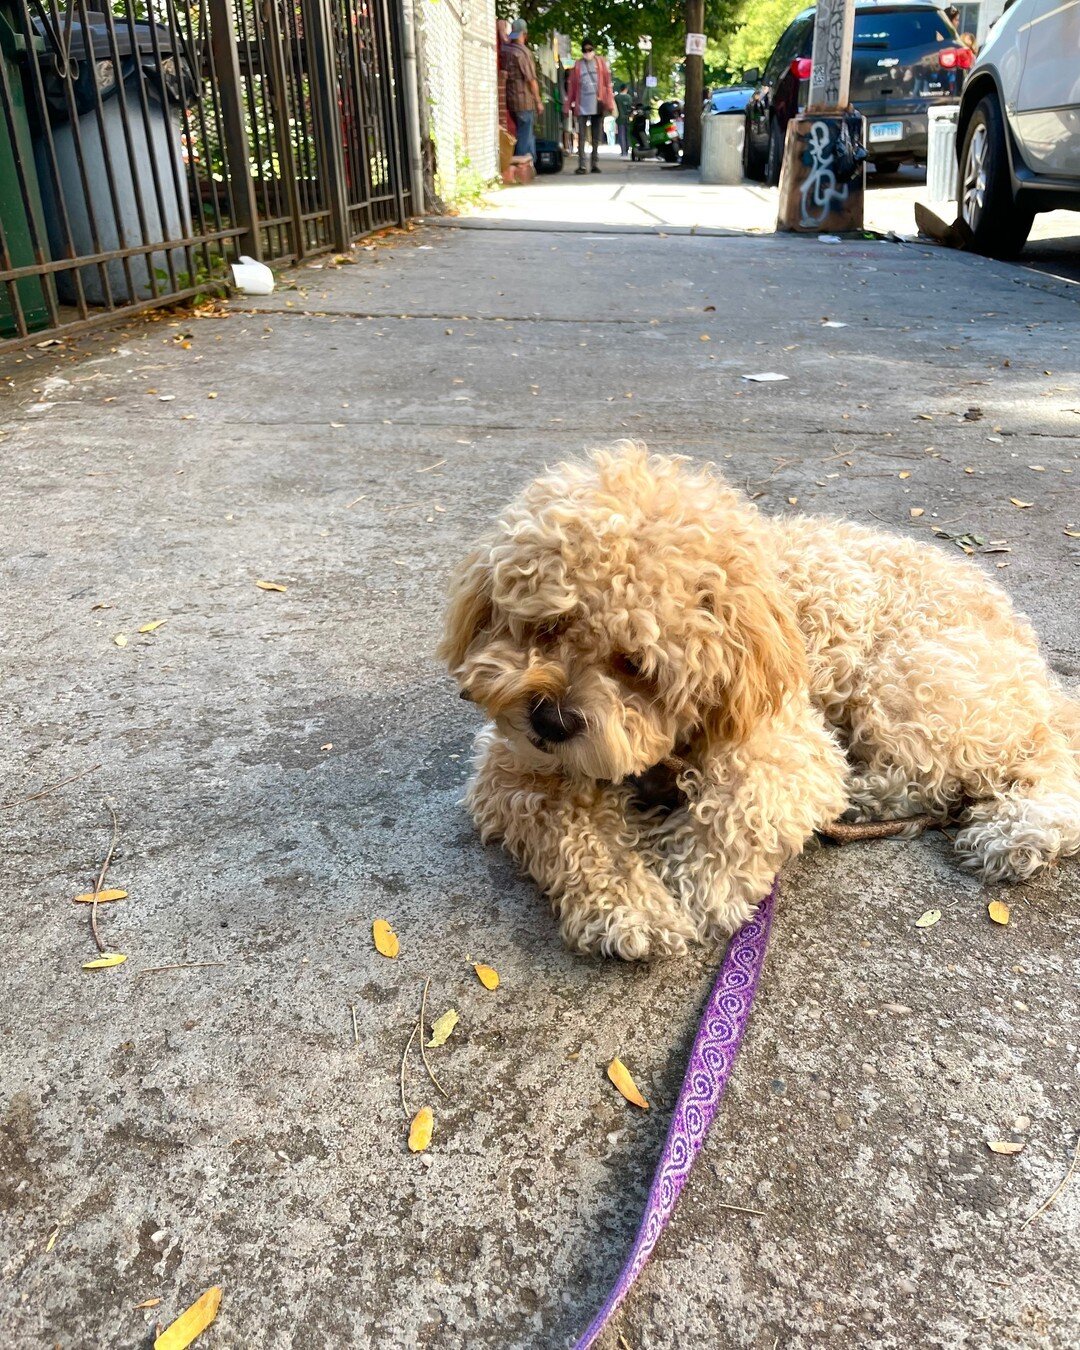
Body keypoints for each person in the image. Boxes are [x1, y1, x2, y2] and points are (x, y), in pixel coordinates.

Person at [568, 40, 614, 174]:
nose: (588, 53)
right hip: (582, 104)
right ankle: (582, 165)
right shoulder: (578, 65)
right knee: (581, 136)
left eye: (590, 50)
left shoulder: (600, 63)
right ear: (582, 51)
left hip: (597, 104)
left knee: (596, 136)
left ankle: (594, 163)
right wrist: (568, 105)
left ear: (593, 50)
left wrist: (609, 102)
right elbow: (572, 86)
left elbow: (607, 84)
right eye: (585, 50)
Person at [503, 19, 543, 166]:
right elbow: (531, 79)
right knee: (524, 134)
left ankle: (532, 165)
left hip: (510, 99)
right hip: (524, 100)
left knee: (525, 132)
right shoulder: (523, 53)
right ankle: (521, 167)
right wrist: (538, 101)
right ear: (524, 34)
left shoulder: (505, 50)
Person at [614, 82, 633, 157]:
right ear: (626, 89)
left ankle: (623, 151)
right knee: (627, 134)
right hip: (627, 118)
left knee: (621, 134)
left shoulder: (616, 97)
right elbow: (630, 107)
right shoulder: (628, 97)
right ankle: (627, 148)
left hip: (619, 118)